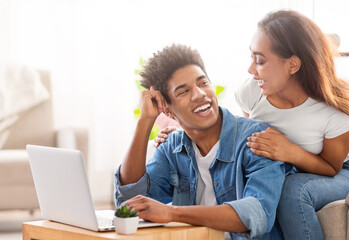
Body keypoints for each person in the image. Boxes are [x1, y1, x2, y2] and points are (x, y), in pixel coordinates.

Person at [154, 10, 349, 240]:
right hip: (288, 165)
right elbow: (239, 134)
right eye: (251, 58)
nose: (250, 70)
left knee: (291, 190)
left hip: (343, 171)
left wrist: (291, 152)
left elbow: (331, 167)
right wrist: (186, 133)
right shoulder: (253, 91)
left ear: (293, 65)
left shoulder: (335, 113)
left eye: (260, 61)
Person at [114, 44, 293, 240]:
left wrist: (173, 213)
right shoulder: (171, 147)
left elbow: (257, 213)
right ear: (168, 110)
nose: (199, 94)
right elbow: (129, 202)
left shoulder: (256, 137)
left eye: (203, 83)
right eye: (183, 92)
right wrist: (145, 121)